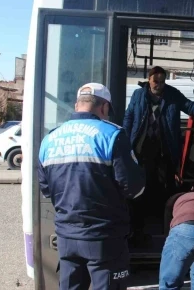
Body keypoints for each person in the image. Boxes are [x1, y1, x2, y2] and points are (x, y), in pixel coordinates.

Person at [38, 82, 146, 290]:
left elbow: (46, 189)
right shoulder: (112, 135)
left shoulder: (49, 139)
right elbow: (134, 188)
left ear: (77, 104)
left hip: (66, 236)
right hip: (104, 238)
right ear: (104, 107)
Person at [123, 66, 194, 244]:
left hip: (165, 148)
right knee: (141, 187)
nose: (159, 85)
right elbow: (129, 117)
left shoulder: (172, 94)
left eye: (162, 82)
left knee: (165, 186)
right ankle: (139, 228)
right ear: (149, 80)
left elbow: (189, 106)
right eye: (156, 81)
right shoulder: (139, 95)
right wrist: (126, 141)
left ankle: (165, 227)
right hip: (141, 148)